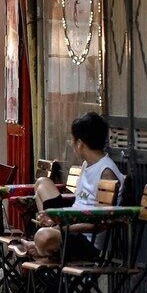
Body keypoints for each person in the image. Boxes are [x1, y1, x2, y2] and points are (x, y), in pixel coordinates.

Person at [16, 112, 125, 261]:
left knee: (42, 236)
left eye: (73, 141)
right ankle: (45, 235)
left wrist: (65, 227)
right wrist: (56, 221)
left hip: (87, 239)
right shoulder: (88, 164)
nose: (73, 145)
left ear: (80, 143)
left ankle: (42, 245)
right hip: (70, 223)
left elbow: (101, 222)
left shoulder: (106, 173)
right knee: (42, 183)